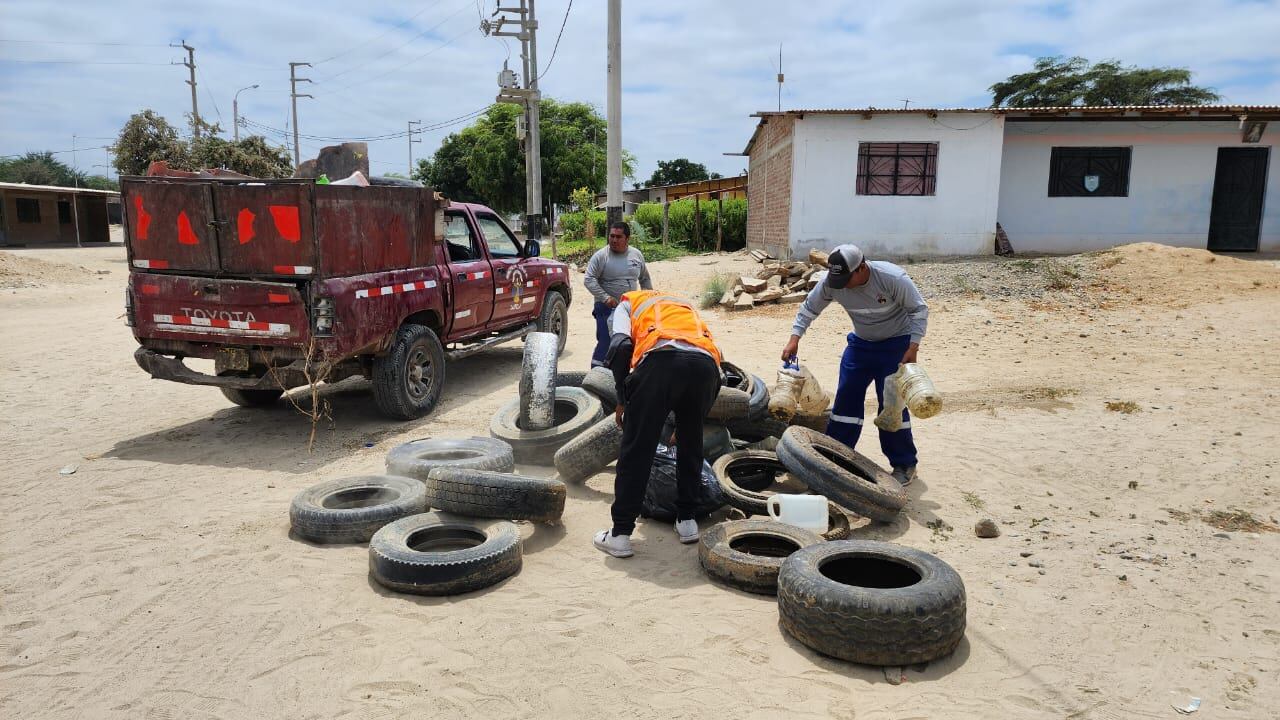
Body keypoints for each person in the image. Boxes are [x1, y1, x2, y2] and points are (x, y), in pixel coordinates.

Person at [780, 244, 928, 487]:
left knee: (891, 406)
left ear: (861, 268)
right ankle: (836, 455)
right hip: (860, 345)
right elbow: (809, 307)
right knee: (846, 400)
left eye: (847, 278)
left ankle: (903, 463)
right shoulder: (833, 281)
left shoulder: (891, 278)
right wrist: (794, 338)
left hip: (896, 346)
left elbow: (919, 310)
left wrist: (913, 348)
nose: (842, 285)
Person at [593, 289, 723, 558]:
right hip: (707, 368)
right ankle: (687, 522)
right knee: (691, 443)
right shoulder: (683, 306)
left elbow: (620, 347)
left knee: (637, 448)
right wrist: (688, 420)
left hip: (661, 362)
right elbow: (712, 357)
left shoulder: (627, 305)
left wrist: (622, 399)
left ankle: (619, 535)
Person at [583, 222, 652, 367]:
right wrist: (605, 298)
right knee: (607, 341)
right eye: (611, 236)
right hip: (606, 308)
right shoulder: (601, 256)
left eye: (618, 237)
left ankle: (620, 376)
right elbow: (589, 279)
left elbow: (644, 279)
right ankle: (596, 375)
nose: (614, 240)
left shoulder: (636, 255)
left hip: (630, 308)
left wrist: (648, 301)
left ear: (627, 239)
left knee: (628, 343)